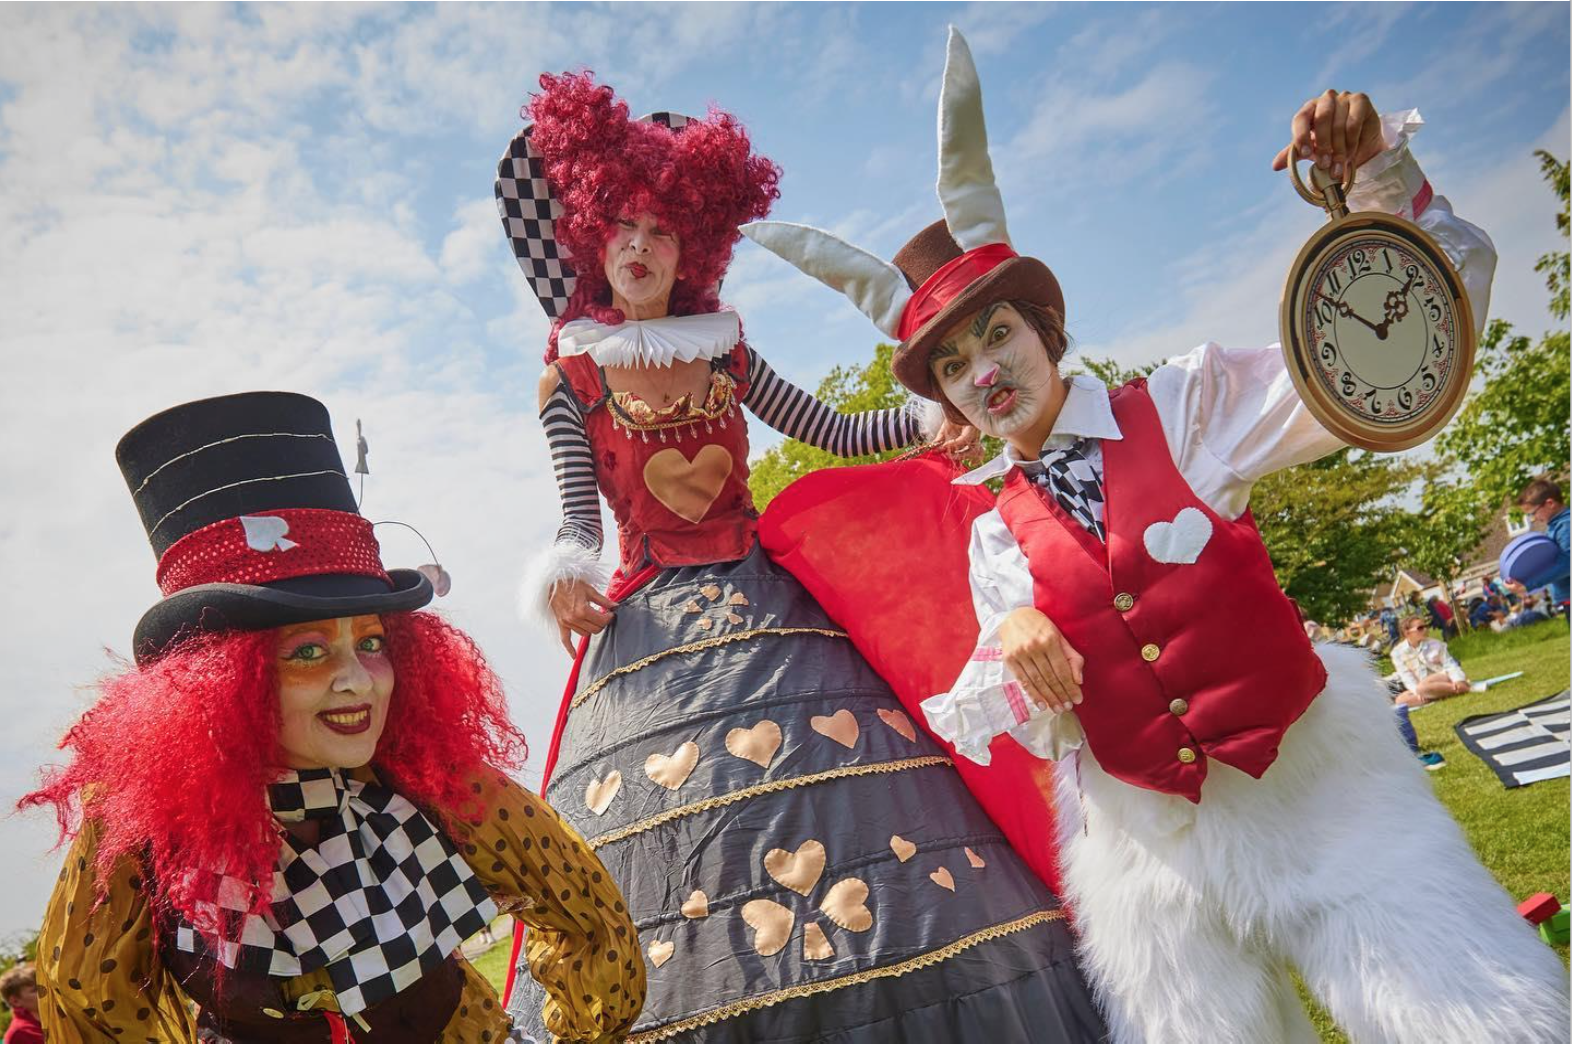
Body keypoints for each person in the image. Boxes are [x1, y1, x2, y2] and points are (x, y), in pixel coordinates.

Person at [746, 28, 1569, 1043]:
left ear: (1045, 331)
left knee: (1488, 1027)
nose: (985, 372)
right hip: (1152, 858)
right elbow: (1026, 698)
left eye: (996, 334)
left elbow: (1393, 354)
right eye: (956, 365)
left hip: (1318, 802)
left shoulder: (1186, 405)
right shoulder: (996, 532)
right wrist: (1011, 642)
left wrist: (1374, 183)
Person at [497, 72, 1107, 1041]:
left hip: (771, 604)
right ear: (589, 243)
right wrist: (566, 577)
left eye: (661, 228)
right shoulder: (568, 373)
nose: (642, 247)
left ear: (690, 244)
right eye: (621, 228)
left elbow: (824, 427)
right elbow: (577, 512)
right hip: (645, 622)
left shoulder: (727, 349)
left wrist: (926, 419)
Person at [20, 392, 643, 1043]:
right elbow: (89, 1001)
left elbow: (581, 907)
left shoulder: (429, 781)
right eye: (309, 652)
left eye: (371, 643)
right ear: (218, 683)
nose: (357, 681)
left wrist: (584, 1029)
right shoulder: (141, 822)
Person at [1391, 613, 1472, 704]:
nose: (1425, 630)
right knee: (1400, 700)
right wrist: (1417, 692)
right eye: (1420, 628)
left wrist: (1458, 680)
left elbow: (1450, 665)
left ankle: (1458, 688)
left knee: (1422, 688)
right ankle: (1443, 693)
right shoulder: (1397, 653)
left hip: (1441, 678)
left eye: (1426, 626)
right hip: (1422, 686)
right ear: (1407, 633)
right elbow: (1406, 676)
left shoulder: (1436, 644)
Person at [1516, 476, 1571, 608]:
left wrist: (1529, 585)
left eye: (1533, 513)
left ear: (1550, 503)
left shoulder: (1566, 525)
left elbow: (1568, 563)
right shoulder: (1556, 525)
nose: (1533, 519)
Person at [0, 965, 43, 1044]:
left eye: (43, 986)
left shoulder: (52, 1017)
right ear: (16, 1001)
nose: (44, 991)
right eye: (35, 990)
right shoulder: (19, 1033)